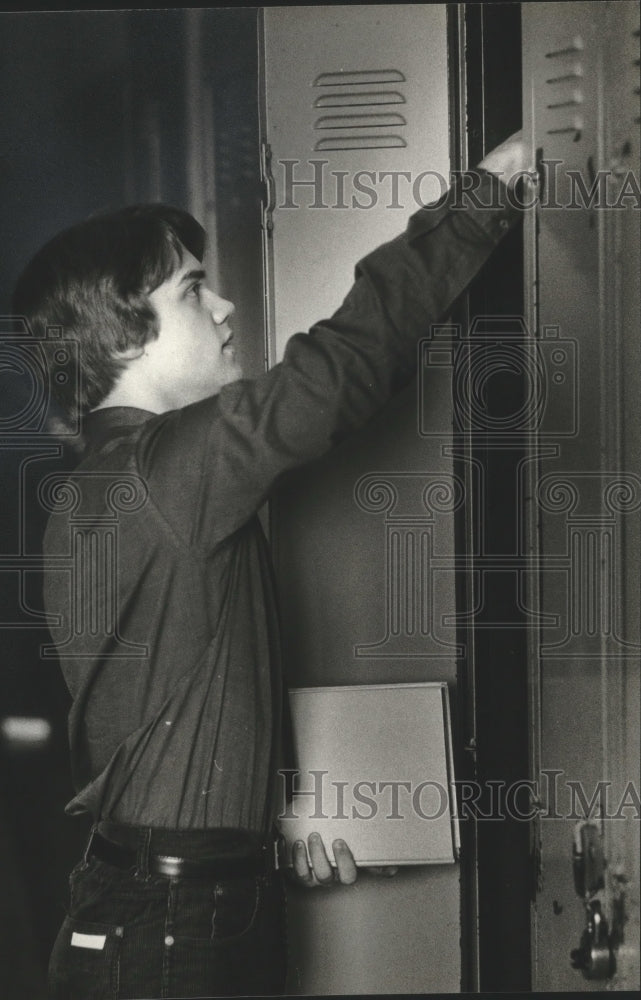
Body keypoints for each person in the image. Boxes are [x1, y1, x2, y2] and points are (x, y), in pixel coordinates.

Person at [13, 133, 529, 999]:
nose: (224, 309)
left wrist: (247, 850)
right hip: (174, 932)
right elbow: (340, 368)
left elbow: (161, 719)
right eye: (190, 292)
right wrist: (489, 190)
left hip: (162, 906)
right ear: (121, 339)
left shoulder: (104, 483)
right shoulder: (164, 469)